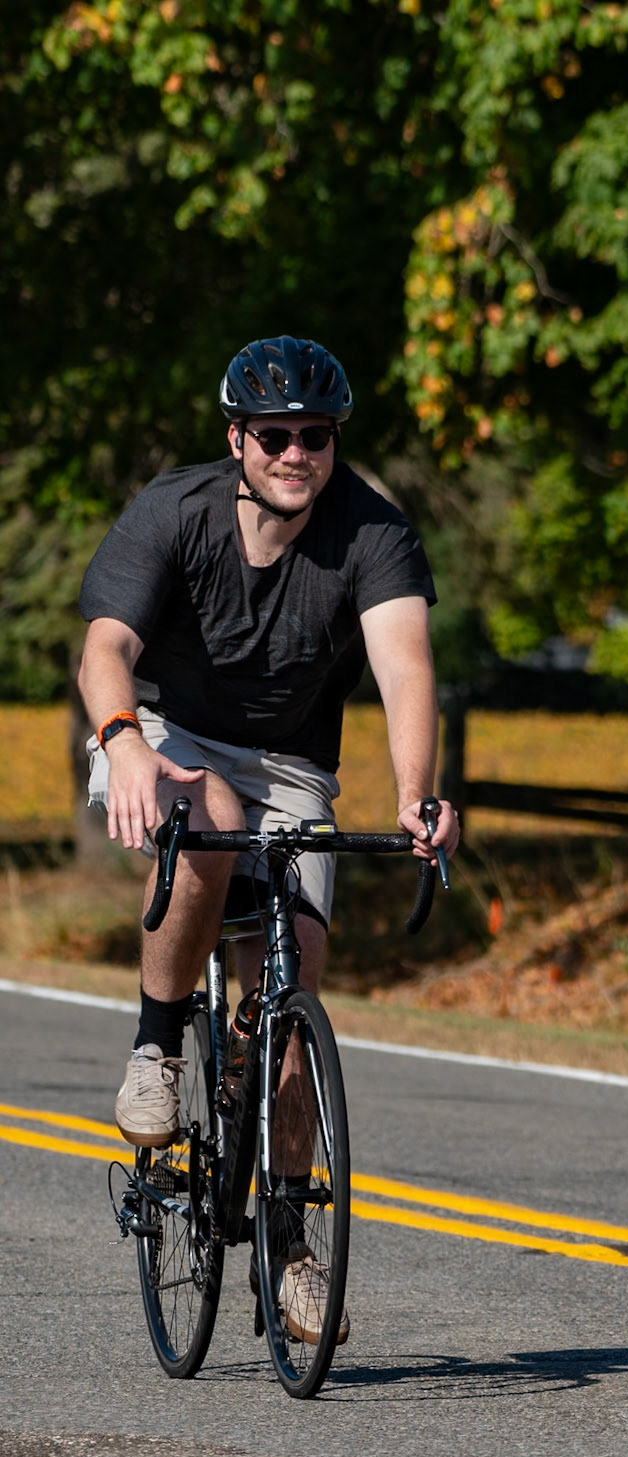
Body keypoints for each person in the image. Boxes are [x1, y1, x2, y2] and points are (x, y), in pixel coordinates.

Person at [78, 333, 459, 1342]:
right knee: (209, 817)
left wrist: (416, 795)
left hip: (292, 768)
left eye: (316, 437)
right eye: (276, 436)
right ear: (237, 437)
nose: (298, 454)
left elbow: (405, 666)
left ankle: (288, 1243)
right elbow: (105, 647)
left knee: (292, 993)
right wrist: (123, 743)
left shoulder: (372, 530)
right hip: (162, 733)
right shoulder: (176, 509)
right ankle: (157, 1045)